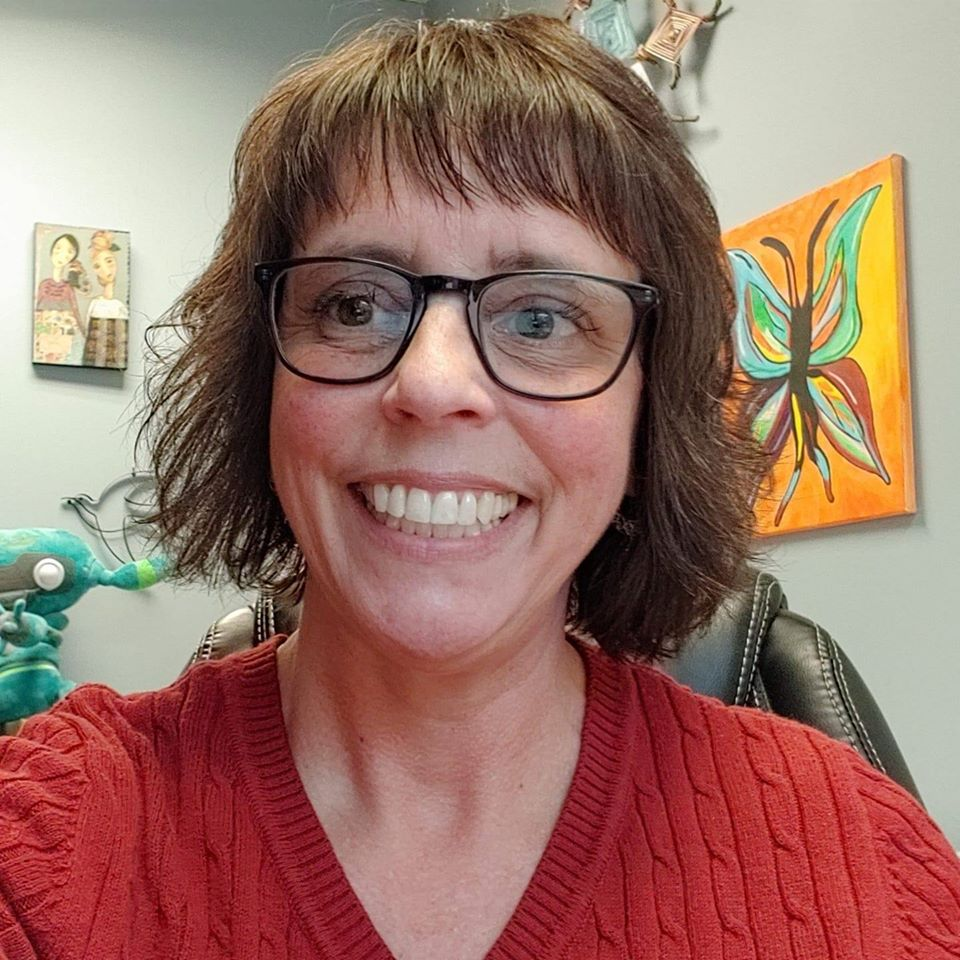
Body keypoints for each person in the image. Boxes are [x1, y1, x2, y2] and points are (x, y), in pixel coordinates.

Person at [2, 14, 959, 960]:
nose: (432, 384)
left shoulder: (867, 872)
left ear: (650, 409)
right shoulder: (42, 852)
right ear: (263, 383)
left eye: (541, 319)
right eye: (355, 305)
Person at [83, 229, 129, 369]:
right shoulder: (95, 305)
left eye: (109, 261)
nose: (106, 269)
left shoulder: (120, 307)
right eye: (98, 266)